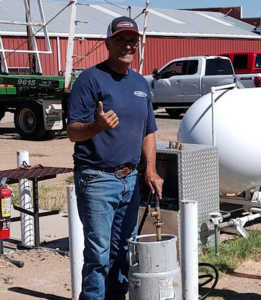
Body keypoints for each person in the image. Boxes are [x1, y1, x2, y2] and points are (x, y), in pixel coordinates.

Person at [66, 16, 163, 300]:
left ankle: (117, 296)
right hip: (97, 178)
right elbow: (72, 132)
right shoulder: (90, 79)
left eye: (132, 40)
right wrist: (97, 126)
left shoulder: (140, 83)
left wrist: (151, 170)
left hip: (130, 179)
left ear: (138, 44)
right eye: (120, 40)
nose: (127, 45)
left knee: (124, 248)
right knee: (98, 253)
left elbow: (149, 131)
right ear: (107, 43)